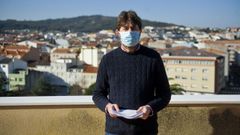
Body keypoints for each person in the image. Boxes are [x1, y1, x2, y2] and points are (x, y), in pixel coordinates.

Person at [92, 10, 171, 135]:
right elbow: (98, 94)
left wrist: (150, 108)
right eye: (125, 28)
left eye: (133, 28)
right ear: (118, 32)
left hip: (146, 130)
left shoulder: (153, 58)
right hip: (115, 130)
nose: (129, 32)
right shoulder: (108, 59)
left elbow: (165, 94)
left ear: (140, 31)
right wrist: (107, 106)